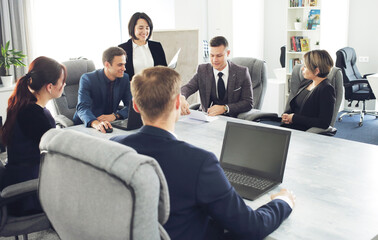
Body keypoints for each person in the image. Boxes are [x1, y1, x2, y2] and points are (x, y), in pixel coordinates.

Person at [111, 66, 295, 240]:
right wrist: (283, 202)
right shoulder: (199, 162)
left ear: (135, 106)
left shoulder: (115, 149)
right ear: (177, 102)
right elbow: (251, 227)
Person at [0, 56, 66, 216]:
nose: (64, 85)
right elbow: (57, 152)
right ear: (50, 87)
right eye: (62, 81)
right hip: (27, 192)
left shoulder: (23, 105)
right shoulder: (34, 115)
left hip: (19, 179)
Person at [180, 36, 253, 118]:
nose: (214, 60)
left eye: (219, 56)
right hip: (207, 118)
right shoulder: (202, 70)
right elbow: (188, 87)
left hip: (231, 120)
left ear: (228, 53)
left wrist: (225, 108)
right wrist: (181, 97)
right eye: (211, 55)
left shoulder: (242, 72)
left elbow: (248, 102)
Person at [73, 47, 132, 133]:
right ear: (107, 64)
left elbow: (131, 105)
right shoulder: (88, 79)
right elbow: (82, 108)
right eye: (120, 65)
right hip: (87, 125)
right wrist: (96, 123)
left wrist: (116, 116)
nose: (124, 68)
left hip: (110, 123)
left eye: (124, 64)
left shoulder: (124, 78)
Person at [281, 50, 335, 131]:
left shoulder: (326, 89)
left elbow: (324, 123)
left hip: (303, 131)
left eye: (305, 67)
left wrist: (295, 118)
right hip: (291, 126)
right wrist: (286, 117)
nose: (302, 68)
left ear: (317, 71)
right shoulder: (306, 82)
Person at [118, 12, 167, 80]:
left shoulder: (157, 46)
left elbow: (164, 70)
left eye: (147, 28)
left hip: (155, 89)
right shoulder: (122, 48)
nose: (145, 31)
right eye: (141, 28)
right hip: (132, 89)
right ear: (132, 28)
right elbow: (120, 74)